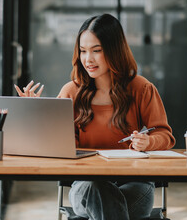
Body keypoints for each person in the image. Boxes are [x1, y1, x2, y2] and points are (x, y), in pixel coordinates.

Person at [14, 13, 175, 220]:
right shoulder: (71, 92)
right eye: (83, 51)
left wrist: (148, 141)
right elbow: (59, 146)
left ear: (114, 51)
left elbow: (166, 135)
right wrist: (37, 117)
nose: (88, 59)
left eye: (96, 51)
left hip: (135, 185)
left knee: (106, 201)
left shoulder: (141, 88)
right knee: (97, 190)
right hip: (85, 185)